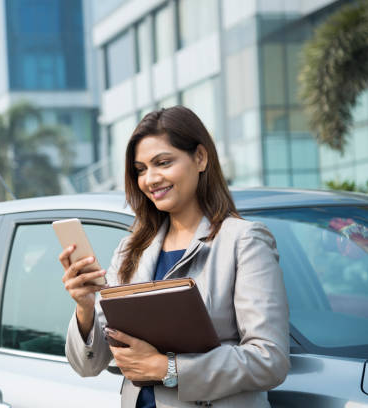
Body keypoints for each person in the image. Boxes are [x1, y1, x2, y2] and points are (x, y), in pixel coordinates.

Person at [60, 106, 290, 407]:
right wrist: (85, 308)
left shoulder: (242, 241)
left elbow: (269, 359)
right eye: (141, 169)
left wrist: (169, 369)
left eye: (163, 163)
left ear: (200, 158)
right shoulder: (131, 249)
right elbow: (88, 366)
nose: (150, 179)